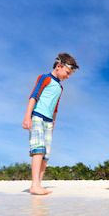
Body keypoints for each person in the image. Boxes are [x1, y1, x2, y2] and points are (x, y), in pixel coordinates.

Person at [22, 53, 79, 195]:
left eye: (70, 74)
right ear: (59, 66)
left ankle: (38, 184)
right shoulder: (45, 78)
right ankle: (34, 185)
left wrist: (53, 124)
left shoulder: (60, 88)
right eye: (67, 73)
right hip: (37, 117)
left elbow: (55, 108)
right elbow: (34, 96)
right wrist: (27, 117)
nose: (68, 77)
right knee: (38, 149)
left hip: (48, 122)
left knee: (46, 154)